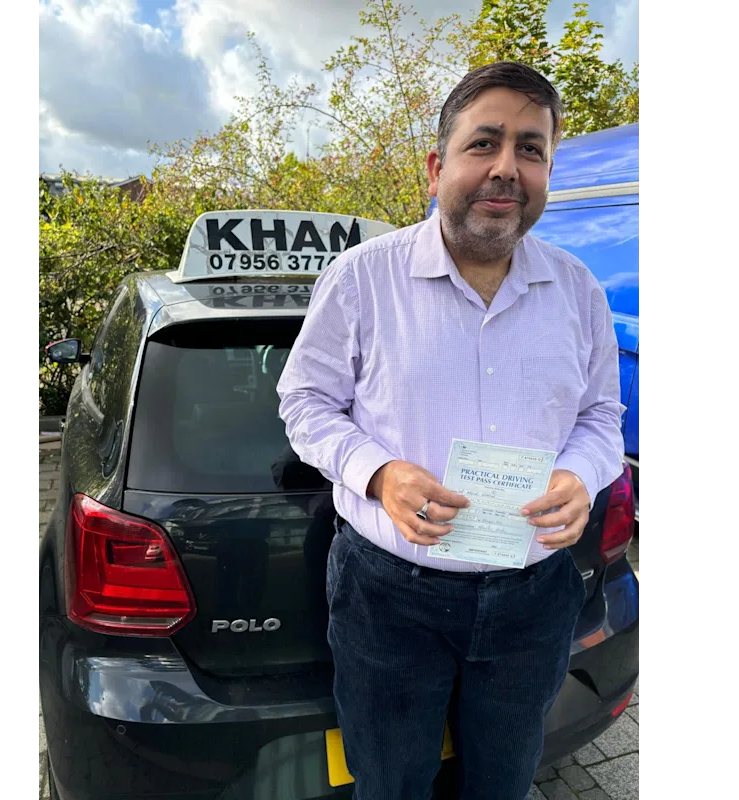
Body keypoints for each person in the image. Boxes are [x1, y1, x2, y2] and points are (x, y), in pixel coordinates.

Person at [276, 61, 625, 800]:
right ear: (438, 165)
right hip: (388, 596)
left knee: (503, 781)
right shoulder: (362, 279)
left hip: (534, 596)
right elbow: (304, 401)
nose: (507, 168)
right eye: (485, 143)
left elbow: (601, 417)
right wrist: (378, 472)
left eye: (531, 150)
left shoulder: (578, 292)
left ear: (548, 172)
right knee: (392, 783)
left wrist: (583, 476)